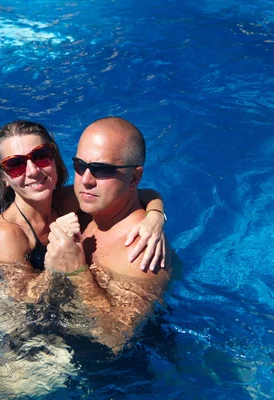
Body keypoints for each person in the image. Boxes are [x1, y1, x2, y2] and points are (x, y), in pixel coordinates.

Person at [0, 120, 167, 301]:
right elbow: (22, 302)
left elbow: (136, 192)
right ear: (3, 177)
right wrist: (59, 268)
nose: (32, 171)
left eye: (40, 156)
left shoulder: (69, 199)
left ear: (55, 159)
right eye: (15, 165)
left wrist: (155, 217)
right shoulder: (5, 234)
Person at [44, 116, 170, 351]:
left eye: (102, 170)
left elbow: (114, 340)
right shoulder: (91, 208)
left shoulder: (141, 250)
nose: (86, 181)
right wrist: (156, 211)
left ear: (134, 177)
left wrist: (76, 271)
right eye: (80, 166)